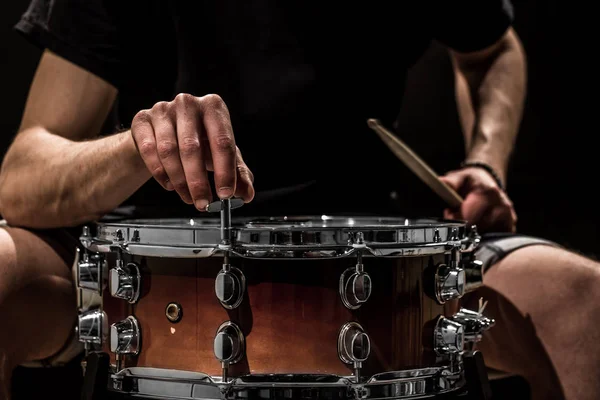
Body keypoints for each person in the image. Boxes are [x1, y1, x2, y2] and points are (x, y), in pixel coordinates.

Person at [0, 1, 597, 399]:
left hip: (375, 254)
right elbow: (21, 175)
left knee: (584, 302)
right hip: (151, 264)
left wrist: (485, 160)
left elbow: (495, 49)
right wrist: (137, 149)